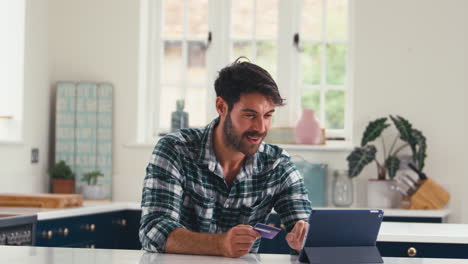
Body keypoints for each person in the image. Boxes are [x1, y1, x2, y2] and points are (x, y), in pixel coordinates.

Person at [139, 58, 312, 258]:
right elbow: (153, 231)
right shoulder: (175, 150)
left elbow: (307, 226)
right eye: (249, 115)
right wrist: (220, 244)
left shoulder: (277, 164)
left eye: (268, 115)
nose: (261, 128)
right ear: (221, 107)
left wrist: (304, 238)